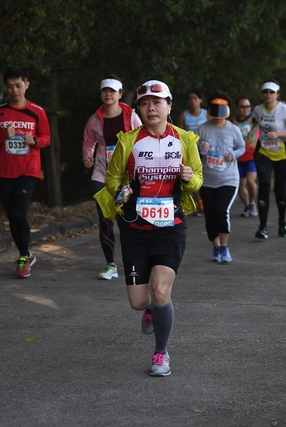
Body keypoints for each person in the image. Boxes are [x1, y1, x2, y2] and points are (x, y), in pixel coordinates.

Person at [94, 80, 203, 376]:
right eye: (144, 103)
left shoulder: (185, 140)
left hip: (170, 227)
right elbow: (112, 178)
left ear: (169, 106)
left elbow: (197, 180)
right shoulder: (128, 141)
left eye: (157, 102)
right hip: (135, 230)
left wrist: (189, 178)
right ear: (139, 109)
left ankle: (161, 353)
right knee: (138, 301)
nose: (151, 108)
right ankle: (152, 309)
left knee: (161, 289)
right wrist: (121, 190)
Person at [0, 66, 51, 278]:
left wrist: (35, 140)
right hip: (6, 171)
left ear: (27, 85)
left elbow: (46, 138)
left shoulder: (38, 111)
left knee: (19, 212)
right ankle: (27, 254)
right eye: (10, 86)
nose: (14, 90)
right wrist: (2, 135)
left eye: (18, 85)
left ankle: (23, 257)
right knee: (12, 214)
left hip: (29, 169)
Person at [82, 75, 142, 280]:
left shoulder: (131, 116)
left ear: (120, 94)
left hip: (126, 178)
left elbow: (141, 139)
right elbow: (88, 141)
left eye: (112, 91)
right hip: (101, 174)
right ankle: (110, 265)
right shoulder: (95, 119)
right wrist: (87, 156)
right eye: (104, 90)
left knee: (127, 221)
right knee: (105, 220)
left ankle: (134, 262)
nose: (108, 94)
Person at [195, 91, 245, 262]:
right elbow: (194, 151)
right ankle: (216, 247)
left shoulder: (233, 129)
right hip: (207, 180)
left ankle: (224, 247)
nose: (218, 117)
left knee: (221, 211)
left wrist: (234, 154)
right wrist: (202, 149)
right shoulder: (202, 128)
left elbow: (242, 147)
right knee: (209, 214)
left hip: (228, 179)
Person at [250, 79, 286, 239]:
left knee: (279, 189)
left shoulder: (285, 110)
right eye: (265, 92)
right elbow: (258, 123)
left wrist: (278, 134)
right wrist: (251, 133)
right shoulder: (258, 109)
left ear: (277, 94)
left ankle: (282, 221)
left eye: (271, 92)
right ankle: (262, 227)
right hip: (264, 152)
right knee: (264, 186)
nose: (268, 95)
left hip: (283, 154)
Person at [178, 89, 207, 216]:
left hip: (205, 151)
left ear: (200, 100)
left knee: (204, 177)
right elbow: (180, 134)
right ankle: (199, 203)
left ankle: (205, 201)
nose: (192, 101)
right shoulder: (184, 116)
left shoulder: (206, 115)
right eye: (190, 98)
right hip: (191, 151)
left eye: (195, 98)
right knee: (192, 176)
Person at [233, 96, 259, 218]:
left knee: (250, 181)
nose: (246, 109)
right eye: (243, 107)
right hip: (238, 158)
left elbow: (262, 123)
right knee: (240, 185)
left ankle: (252, 203)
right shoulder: (233, 122)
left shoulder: (254, 120)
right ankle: (248, 206)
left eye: (248, 106)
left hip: (252, 157)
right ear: (237, 108)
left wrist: (252, 132)